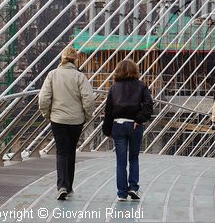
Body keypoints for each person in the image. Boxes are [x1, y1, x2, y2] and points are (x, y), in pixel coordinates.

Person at [39, 47, 95, 200]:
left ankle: (62, 185)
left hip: (57, 119)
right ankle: (69, 186)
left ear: (62, 59)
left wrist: (47, 114)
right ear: (76, 60)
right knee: (71, 151)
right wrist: (87, 115)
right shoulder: (80, 77)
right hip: (76, 120)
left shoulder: (52, 75)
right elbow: (88, 99)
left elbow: (43, 98)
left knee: (62, 151)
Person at [102, 59, 153, 202]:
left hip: (118, 125)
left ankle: (121, 193)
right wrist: (139, 119)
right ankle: (133, 187)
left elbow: (108, 111)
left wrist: (107, 129)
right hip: (134, 126)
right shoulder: (142, 86)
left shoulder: (114, 88)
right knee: (134, 158)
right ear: (135, 70)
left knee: (121, 161)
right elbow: (149, 106)